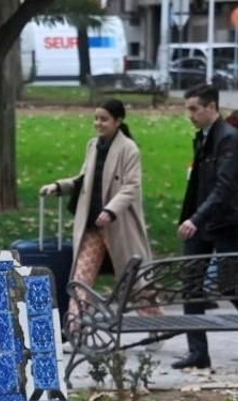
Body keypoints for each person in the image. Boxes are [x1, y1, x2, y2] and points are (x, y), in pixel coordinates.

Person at [39, 98, 156, 328]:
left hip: (118, 226)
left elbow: (131, 186)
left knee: (133, 281)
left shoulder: (129, 149)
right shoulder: (93, 145)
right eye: (96, 119)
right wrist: (59, 186)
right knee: (81, 278)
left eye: (104, 119)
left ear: (118, 121)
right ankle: (75, 327)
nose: (98, 123)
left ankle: (155, 324)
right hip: (92, 225)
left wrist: (110, 211)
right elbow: (84, 179)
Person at [174, 84, 238, 369]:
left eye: (194, 109)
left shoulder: (229, 139)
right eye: (188, 108)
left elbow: (223, 187)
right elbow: (198, 184)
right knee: (191, 283)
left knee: (230, 284)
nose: (190, 114)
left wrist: (195, 219)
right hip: (202, 220)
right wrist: (190, 218)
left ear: (211, 107)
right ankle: (198, 352)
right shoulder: (203, 137)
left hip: (226, 222)